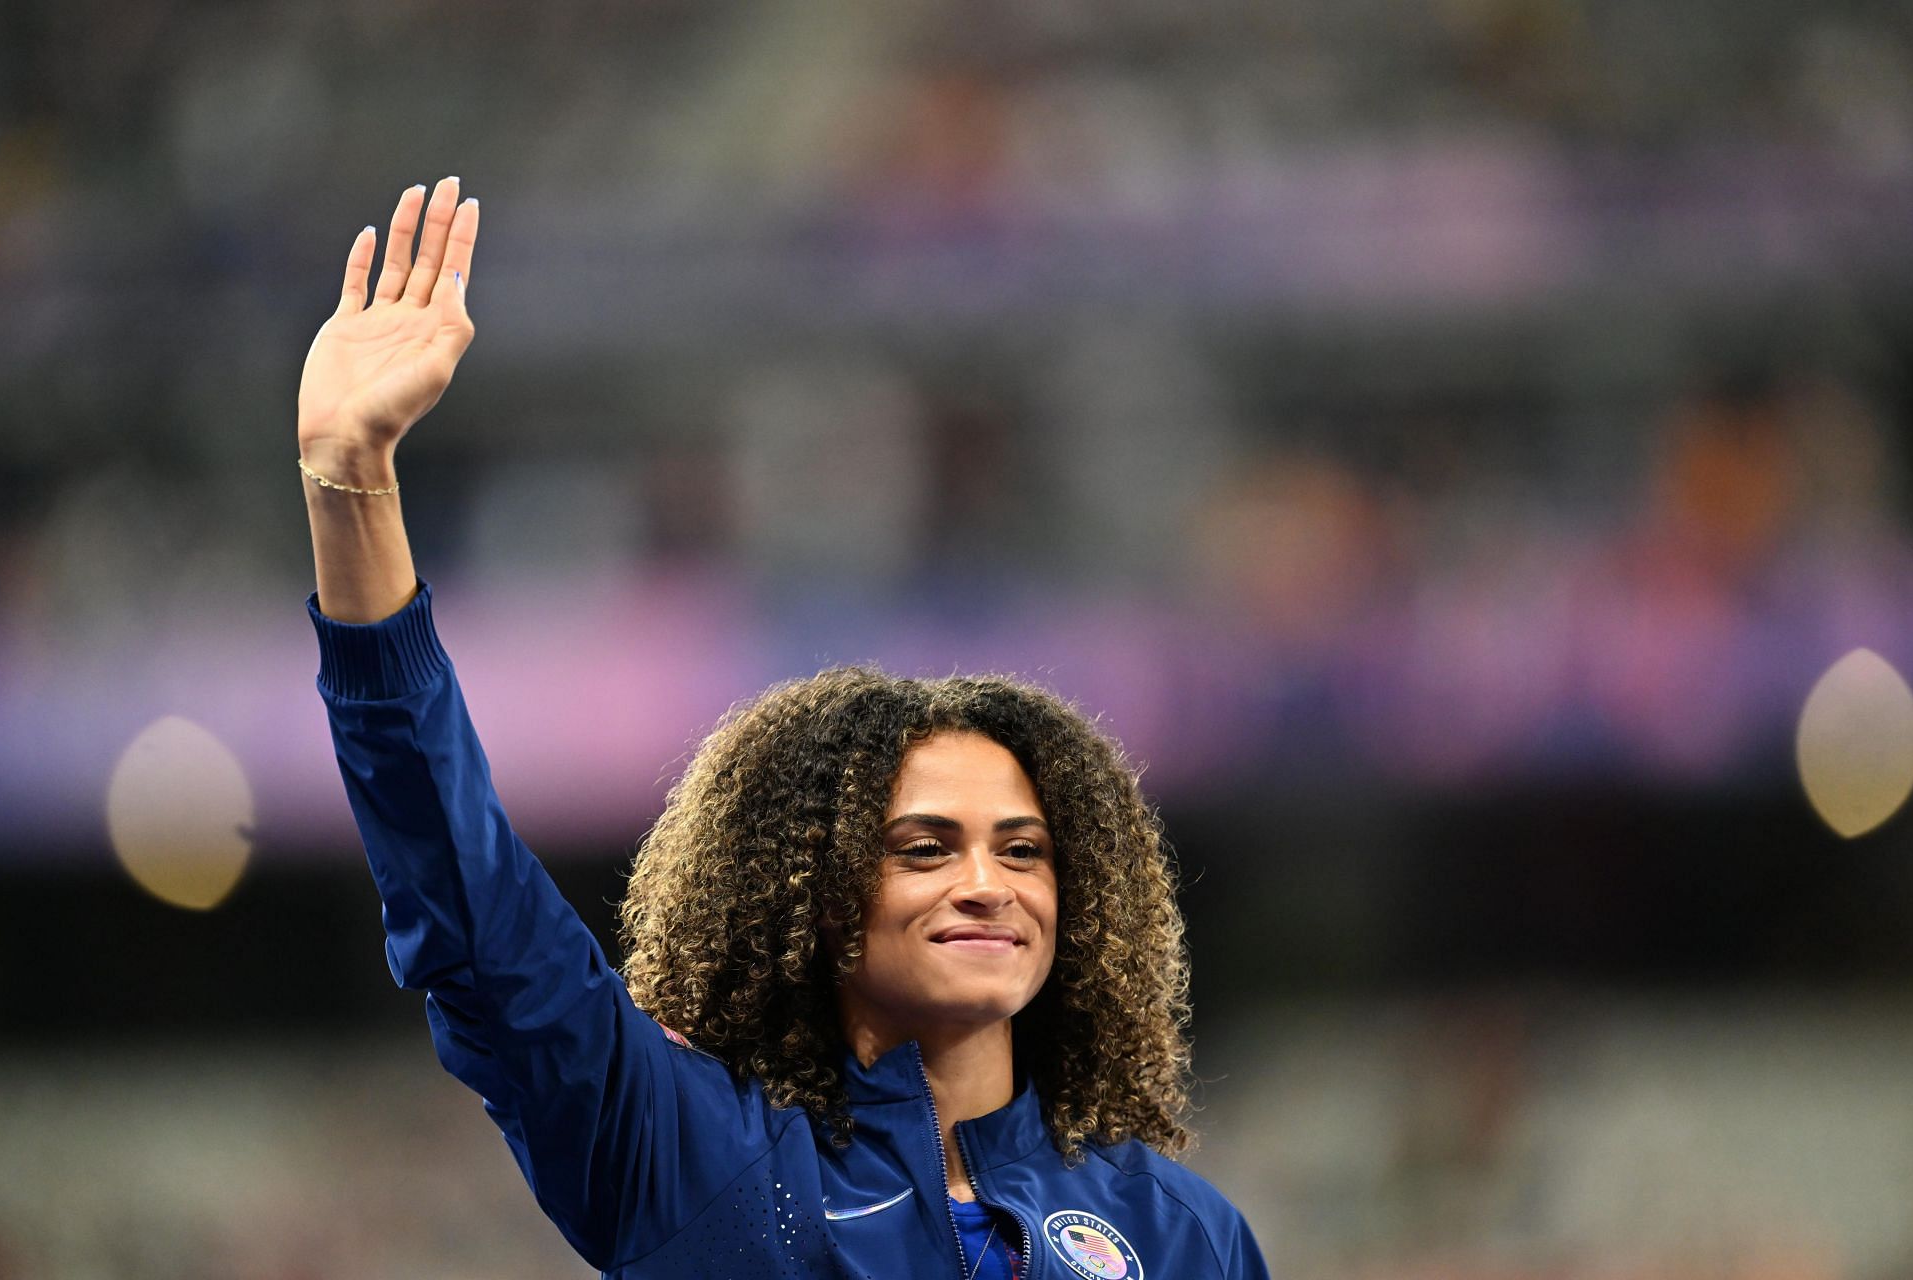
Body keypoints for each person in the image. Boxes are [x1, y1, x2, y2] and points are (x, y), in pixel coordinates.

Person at [299, 177, 1271, 1280]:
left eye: (1023, 847)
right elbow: (474, 911)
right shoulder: (695, 1155)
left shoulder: (1181, 1230)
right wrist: (351, 483)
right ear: (813, 892)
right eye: (923, 847)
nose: (987, 882)